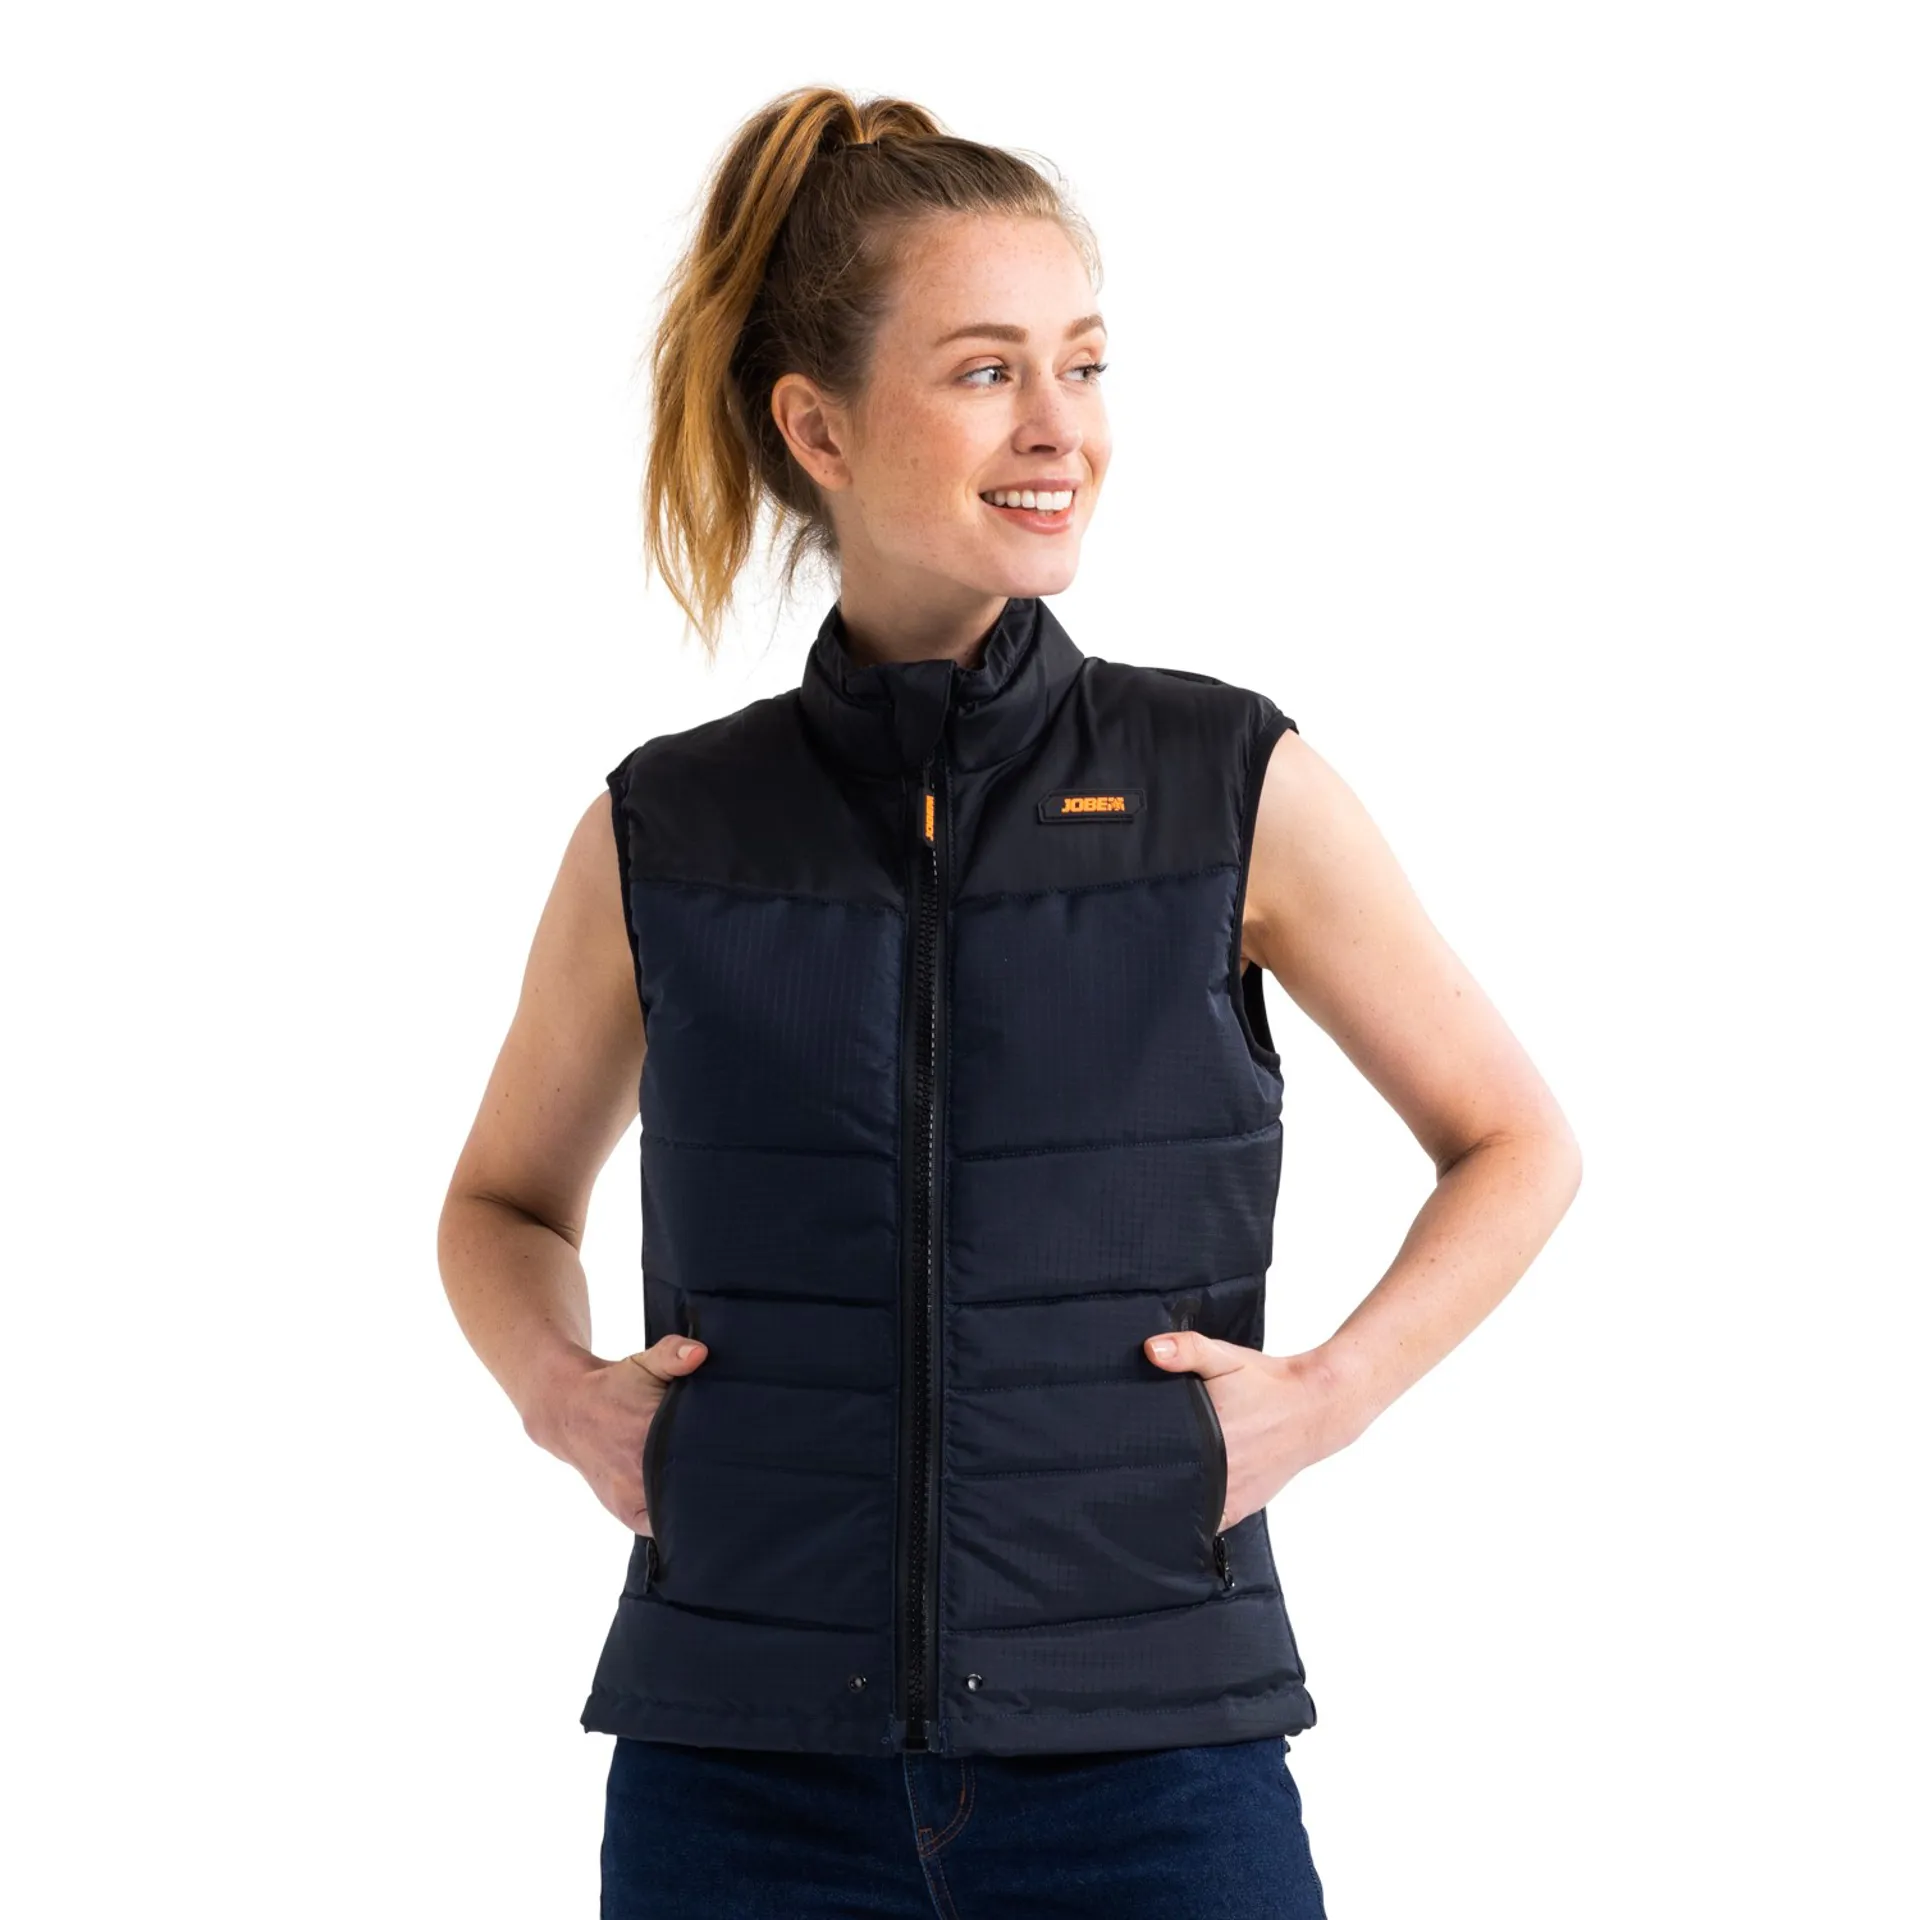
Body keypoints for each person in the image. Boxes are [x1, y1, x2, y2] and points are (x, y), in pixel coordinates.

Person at [437, 84, 1582, 1919]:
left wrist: (1328, 1396)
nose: (1061, 427)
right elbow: (500, 1203)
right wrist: (555, 1394)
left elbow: (1515, 1141)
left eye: (1085, 364)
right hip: (740, 1781)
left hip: (1153, 1768)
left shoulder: (1227, 784)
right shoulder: (669, 830)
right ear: (816, 425)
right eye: (986, 371)